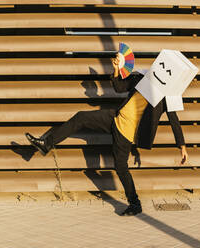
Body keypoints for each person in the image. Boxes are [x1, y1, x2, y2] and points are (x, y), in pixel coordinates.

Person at [25, 54, 188, 216]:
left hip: (126, 131)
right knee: (81, 117)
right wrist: (117, 69)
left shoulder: (167, 96)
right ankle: (46, 144)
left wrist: (182, 147)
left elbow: (174, 121)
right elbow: (119, 87)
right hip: (115, 117)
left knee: (120, 167)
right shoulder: (142, 78)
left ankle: (135, 203)